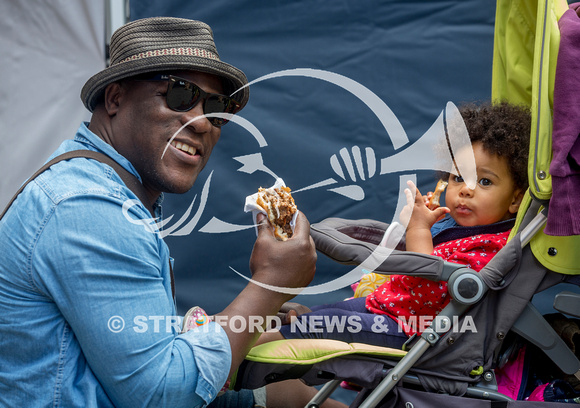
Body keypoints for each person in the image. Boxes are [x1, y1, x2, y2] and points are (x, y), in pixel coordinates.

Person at [0, 17, 345, 408]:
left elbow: (130, 343)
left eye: (217, 109)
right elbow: (165, 395)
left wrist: (252, 320)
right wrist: (269, 285)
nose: (201, 123)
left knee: (291, 394)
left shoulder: (105, 189)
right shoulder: (89, 207)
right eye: (180, 95)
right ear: (115, 99)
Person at [256, 101, 531, 348]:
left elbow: (428, 280)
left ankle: (236, 357)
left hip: (414, 329)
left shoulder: (492, 247)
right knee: (321, 314)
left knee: (317, 326)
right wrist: (417, 228)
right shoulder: (454, 228)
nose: (466, 190)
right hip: (387, 307)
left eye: (484, 181)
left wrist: (419, 230)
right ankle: (298, 324)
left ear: (516, 199)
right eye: (458, 177)